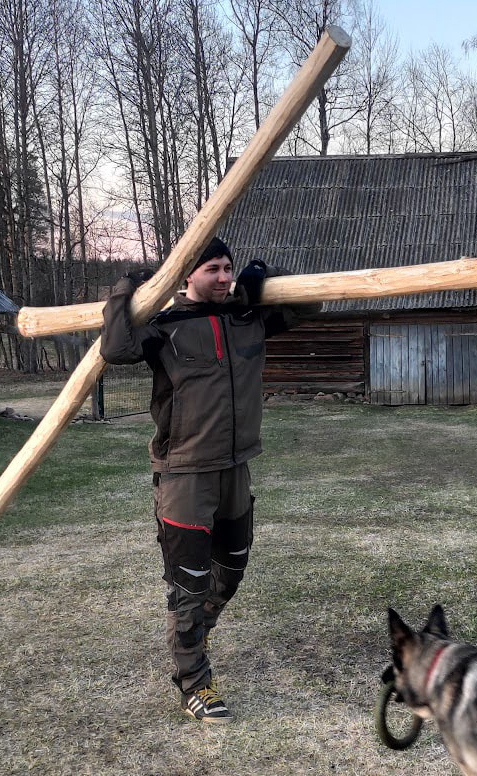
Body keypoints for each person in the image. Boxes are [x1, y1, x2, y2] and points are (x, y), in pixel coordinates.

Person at [100, 237, 319, 725]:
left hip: (235, 468)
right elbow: (116, 348)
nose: (223, 277)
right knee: (189, 583)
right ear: (187, 277)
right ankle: (194, 680)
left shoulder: (248, 319)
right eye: (212, 269)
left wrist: (267, 279)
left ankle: (191, 635)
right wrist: (124, 293)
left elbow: (311, 303)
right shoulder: (166, 328)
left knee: (231, 570)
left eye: (228, 268)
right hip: (184, 475)